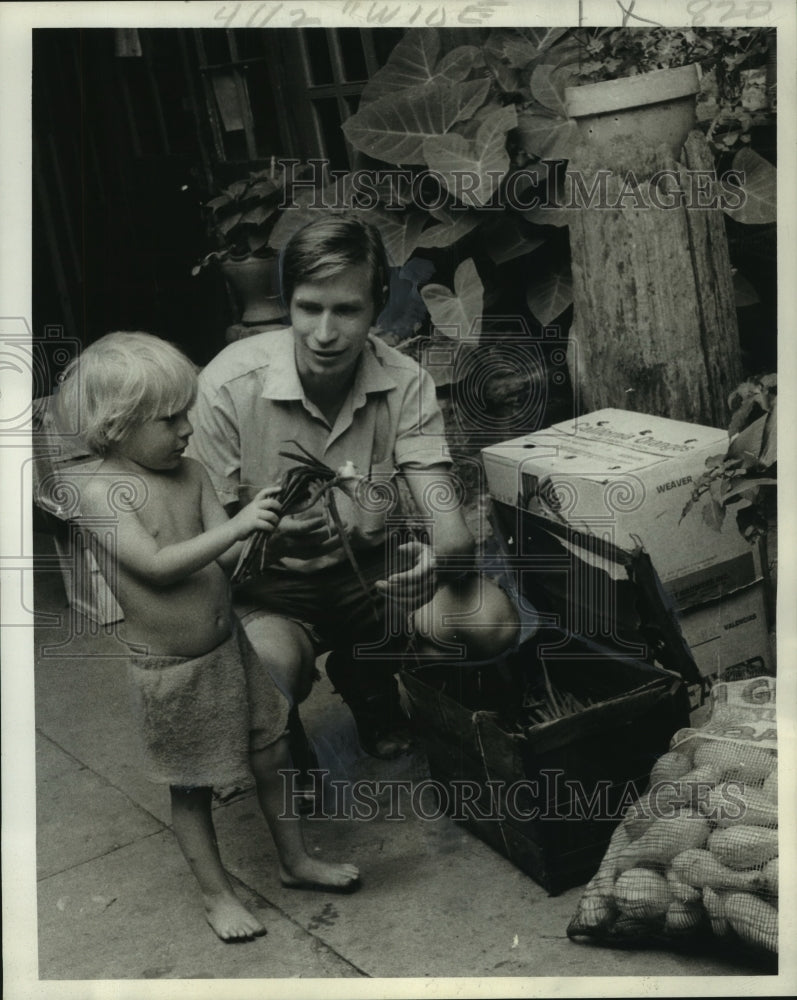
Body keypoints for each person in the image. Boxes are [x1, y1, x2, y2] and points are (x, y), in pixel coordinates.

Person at [56, 331, 359, 943]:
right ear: (115, 427)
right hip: (174, 670)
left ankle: (295, 862)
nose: (186, 430)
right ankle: (216, 895)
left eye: (185, 414)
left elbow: (226, 560)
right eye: (169, 420)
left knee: (271, 753)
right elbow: (160, 563)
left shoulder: (190, 473)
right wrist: (239, 525)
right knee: (192, 787)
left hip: (230, 651)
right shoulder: (99, 493)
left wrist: (273, 527)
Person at [189, 217, 520, 762]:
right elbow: (206, 548)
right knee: (261, 685)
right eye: (308, 308)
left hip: (376, 578)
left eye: (347, 310)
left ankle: (371, 678)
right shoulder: (226, 386)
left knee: (490, 623)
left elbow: (451, 529)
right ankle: (281, 729)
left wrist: (437, 566)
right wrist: (266, 537)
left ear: (378, 304)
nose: (324, 333)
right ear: (286, 302)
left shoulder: (405, 382)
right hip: (272, 593)